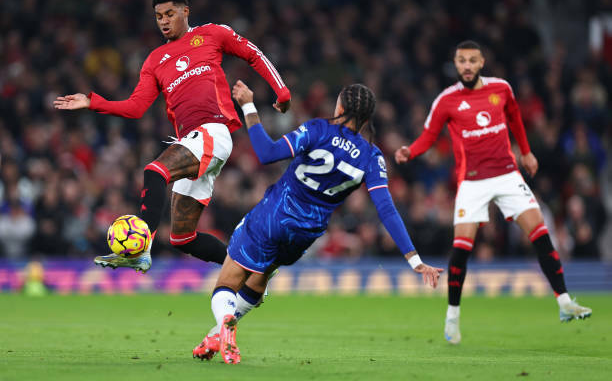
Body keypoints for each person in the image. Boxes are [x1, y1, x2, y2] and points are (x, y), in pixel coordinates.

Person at [192, 80, 443, 364]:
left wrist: (248, 106)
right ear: (366, 118)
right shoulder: (372, 157)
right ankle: (216, 335)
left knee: (227, 282)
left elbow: (266, 153)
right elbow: (386, 209)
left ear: (340, 107)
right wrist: (414, 260)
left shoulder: (318, 129)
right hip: (306, 233)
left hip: (274, 215)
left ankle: (225, 322)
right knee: (262, 273)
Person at [53, 0, 291, 273]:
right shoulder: (155, 61)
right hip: (193, 142)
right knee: (182, 238)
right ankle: (253, 269)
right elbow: (135, 107)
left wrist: (282, 91)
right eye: (158, 17)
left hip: (212, 132)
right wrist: (93, 102)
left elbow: (253, 54)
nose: (164, 21)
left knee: (155, 171)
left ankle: (140, 249)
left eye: (169, 14)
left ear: (185, 11)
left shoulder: (212, 34)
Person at [394, 40, 592, 345]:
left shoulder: (501, 89)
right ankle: (452, 316)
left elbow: (515, 118)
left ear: (482, 62)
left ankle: (564, 302)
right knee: (462, 248)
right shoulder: (446, 100)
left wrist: (526, 152)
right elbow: (429, 135)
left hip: (507, 175)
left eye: (472, 60)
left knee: (540, 233)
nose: (467, 66)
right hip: (472, 182)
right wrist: (411, 151)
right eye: (462, 60)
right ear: (456, 64)